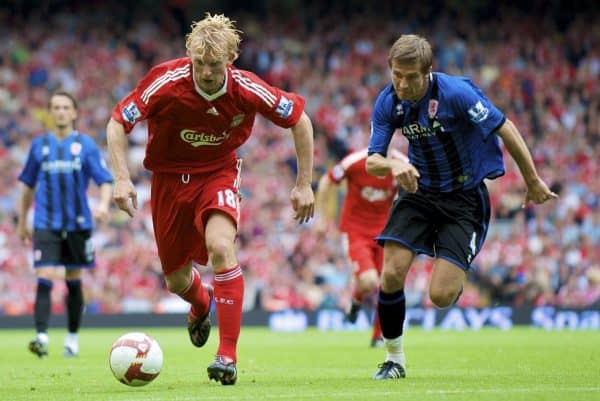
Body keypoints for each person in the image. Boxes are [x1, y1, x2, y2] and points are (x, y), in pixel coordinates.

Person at [106, 13, 314, 385]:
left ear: (230, 60)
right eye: (198, 63)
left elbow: (300, 119)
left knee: (221, 248)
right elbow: (118, 121)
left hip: (217, 173)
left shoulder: (247, 88)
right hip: (169, 182)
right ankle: (201, 304)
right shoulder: (166, 81)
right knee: (175, 280)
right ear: (189, 55)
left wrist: (303, 184)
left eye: (213, 64)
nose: (204, 71)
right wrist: (121, 178)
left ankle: (227, 357)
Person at [366, 34, 558, 379]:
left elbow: (505, 128)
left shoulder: (456, 94)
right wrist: (395, 165)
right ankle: (394, 359)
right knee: (391, 272)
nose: (403, 83)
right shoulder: (387, 102)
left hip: (464, 199)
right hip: (418, 191)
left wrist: (532, 180)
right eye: (397, 74)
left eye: (411, 77)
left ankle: (453, 281)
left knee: (440, 296)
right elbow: (372, 161)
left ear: (427, 73)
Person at [17, 91, 114, 358]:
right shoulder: (39, 146)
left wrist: (104, 205)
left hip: (78, 223)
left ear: (74, 113)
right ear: (50, 112)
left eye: (65, 107)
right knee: (44, 275)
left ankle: (71, 338)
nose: (60, 112)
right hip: (45, 222)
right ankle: (41, 336)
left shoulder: (86, 146)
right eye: (56, 107)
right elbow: (27, 186)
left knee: (73, 279)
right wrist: (23, 221)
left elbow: (104, 180)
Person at [315, 147, 405, 347]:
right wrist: (322, 219)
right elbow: (326, 181)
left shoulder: (401, 164)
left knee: (387, 284)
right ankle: (356, 299)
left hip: (386, 233)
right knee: (368, 281)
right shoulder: (355, 162)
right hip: (355, 232)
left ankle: (377, 336)